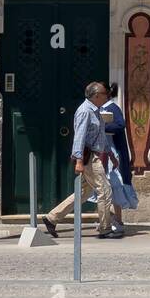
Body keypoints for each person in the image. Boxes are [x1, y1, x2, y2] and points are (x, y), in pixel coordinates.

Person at [41, 80, 121, 239]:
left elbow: (99, 135)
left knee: (84, 193)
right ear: (97, 95)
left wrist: (109, 153)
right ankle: (105, 228)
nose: (107, 97)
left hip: (94, 155)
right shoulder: (85, 111)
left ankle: (52, 218)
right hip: (88, 157)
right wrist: (78, 160)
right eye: (105, 94)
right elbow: (79, 136)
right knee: (104, 191)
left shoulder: (96, 110)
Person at [101, 82, 134, 234]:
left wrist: (102, 127)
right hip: (102, 153)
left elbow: (120, 125)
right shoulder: (98, 109)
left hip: (113, 153)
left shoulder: (112, 108)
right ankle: (106, 220)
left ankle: (117, 220)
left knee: (115, 186)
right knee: (102, 188)